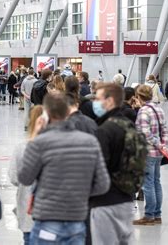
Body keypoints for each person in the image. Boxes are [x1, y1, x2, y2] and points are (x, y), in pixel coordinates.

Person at [18, 92, 110, 244]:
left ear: (46, 113)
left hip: (47, 218)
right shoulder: (90, 142)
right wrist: (80, 194)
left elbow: (24, 177)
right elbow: (103, 184)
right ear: (68, 111)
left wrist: (34, 135)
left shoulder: (40, 143)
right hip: (77, 220)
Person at [89, 83, 138, 244]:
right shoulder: (129, 125)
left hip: (106, 202)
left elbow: (97, 169)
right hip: (127, 199)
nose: (94, 102)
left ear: (109, 101)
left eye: (97, 98)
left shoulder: (105, 130)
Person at [134, 85, 168, 226]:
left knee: (148, 184)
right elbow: (165, 130)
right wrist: (163, 145)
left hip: (148, 152)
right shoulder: (159, 109)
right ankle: (157, 215)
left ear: (139, 96)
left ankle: (149, 216)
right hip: (158, 154)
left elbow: (145, 133)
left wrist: (157, 144)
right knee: (156, 182)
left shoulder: (144, 111)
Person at [9, 105, 44, 244]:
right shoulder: (61, 146)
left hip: (28, 203)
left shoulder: (22, 148)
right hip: (55, 212)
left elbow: (14, 177)